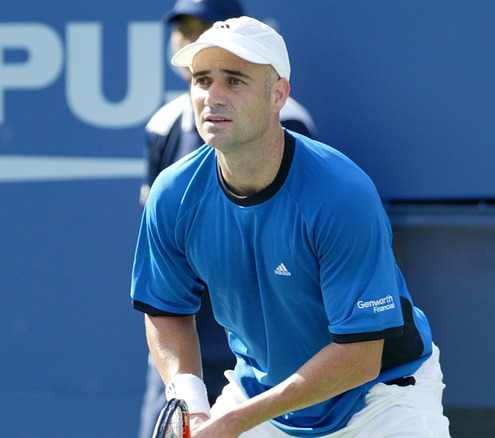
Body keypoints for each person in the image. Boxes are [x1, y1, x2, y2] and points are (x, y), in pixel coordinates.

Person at [131, 15, 450, 438]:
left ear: (278, 94)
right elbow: (165, 309)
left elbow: (360, 355)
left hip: (381, 399)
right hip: (260, 395)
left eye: (235, 80)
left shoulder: (341, 193)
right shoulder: (172, 193)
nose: (213, 96)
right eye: (202, 80)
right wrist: (191, 401)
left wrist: (236, 420)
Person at [137, 2, 318, 437]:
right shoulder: (163, 125)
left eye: (202, 27)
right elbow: (162, 255)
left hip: (268, 347)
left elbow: (296, 233)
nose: (190, 38)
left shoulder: (288, 122)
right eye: (183, 29)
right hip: (190, 338)